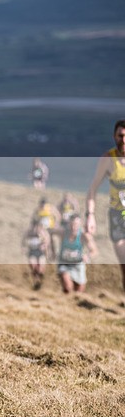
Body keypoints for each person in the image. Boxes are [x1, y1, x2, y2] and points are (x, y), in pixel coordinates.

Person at [86, 119, 125, 291]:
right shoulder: (108, 159)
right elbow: (93, 189)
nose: (123, 140)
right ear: (114, 137)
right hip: (118, 217)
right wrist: (90, 216)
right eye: (120, 136)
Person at [56, 214, 97, 293]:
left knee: (79, 292)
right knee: (68, 287)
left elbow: (94, 251)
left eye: (76, 225)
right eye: (71, 224)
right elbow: (50, 232)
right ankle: (66, 301)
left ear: (79, 225)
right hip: (64, 263)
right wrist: (51, 249)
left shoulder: (83, 235)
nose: (73, 227)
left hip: (78, 264)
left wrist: (87, 256)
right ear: (68, 224)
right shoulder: (63, 232)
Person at [23, 220, 51, 290]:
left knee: (41, 268)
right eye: (35, 227)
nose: (36, 229)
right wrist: (25, 248)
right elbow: (24, 242)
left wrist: (45, 247)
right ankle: (36, 281)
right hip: (32, 252)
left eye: (38, 227)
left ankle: (40, 279)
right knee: (34, 266)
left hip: (41, 253)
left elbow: (47, 244)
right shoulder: (29, 233)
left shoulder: (44, 233)